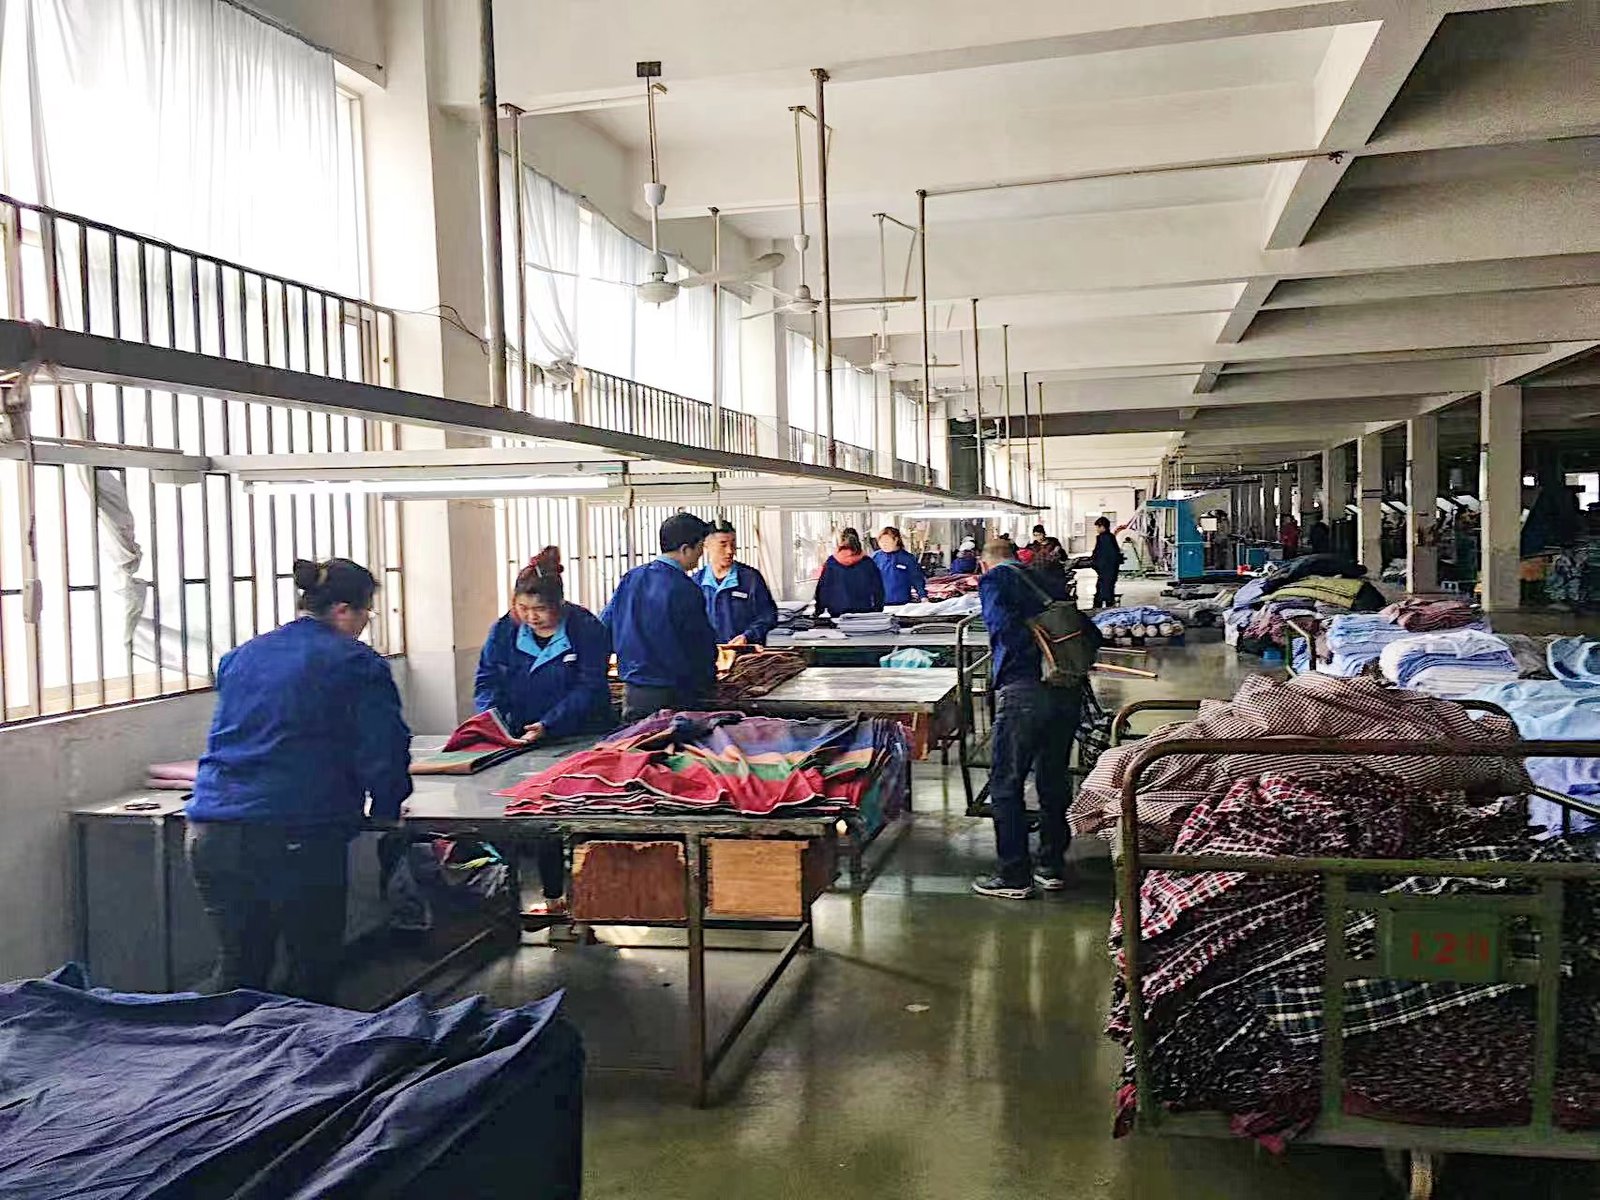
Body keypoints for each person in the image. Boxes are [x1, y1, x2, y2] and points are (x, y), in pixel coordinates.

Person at [186, 557, 411, 1003]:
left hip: (211, 829)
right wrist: (387, 811)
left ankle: (232, 1046)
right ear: (344, 610)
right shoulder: (355, 661)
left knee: (240, 968)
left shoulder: (241, 656)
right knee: (312, 969)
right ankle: (310, 1047)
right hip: (295, 832)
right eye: (366, 614)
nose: (365, 625)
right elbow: (383, 746)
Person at [475, 548, 613, 914]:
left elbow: (589, 687)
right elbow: (487, 680)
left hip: (580, 735)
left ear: (559, 604)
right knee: (535, 819)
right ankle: (550, 900)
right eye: (522, 608)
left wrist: (550, 723)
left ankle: (592, 903)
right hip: (522, 739)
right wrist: (491, 720)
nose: (530, 617)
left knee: (581, 820)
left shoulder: (586, 629)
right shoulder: (505, 630)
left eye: (540, 609)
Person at [970, 539, 1093, 899]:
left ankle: (1013, 875)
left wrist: (1012, 667)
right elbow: (1087, 631)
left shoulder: (995, 581)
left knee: (1006, 782)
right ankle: (1051, 866)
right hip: (1066, 688)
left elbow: (1002, 631)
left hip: (1025, 690)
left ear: (984, 563)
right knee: (1053, 777)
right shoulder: (1045, 579)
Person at [603, 512, 719, 722]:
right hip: (675, 693)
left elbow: (605, 625)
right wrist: (709, 678)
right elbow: (699, 643)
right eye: (700, 548)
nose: (701, 554)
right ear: (686, 549)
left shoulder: (631, 578)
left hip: (634, 692)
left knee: (637, 738)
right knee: (673, 740)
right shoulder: (685, 588)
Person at [695, 519, 779, 645]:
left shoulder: (751, 579)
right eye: (723, 545)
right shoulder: (696, 582)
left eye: (733, 544)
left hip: (745, 652)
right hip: (708, 653)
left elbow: (768, 616)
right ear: (706, 545)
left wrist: (748, 636)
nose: (730, 551)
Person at [815, 526, 886, 617]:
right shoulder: (868, 562)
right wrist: (878, 608)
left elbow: (823, 588)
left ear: (840, 542)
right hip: (863, 611)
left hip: (837, 612)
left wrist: (819, 609)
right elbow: (878, 588)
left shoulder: (832, 562)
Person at [872, 526, 928, 605]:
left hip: (902, 603)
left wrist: (923, 596)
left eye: (887, 541)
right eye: (881, 542)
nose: (884, 544)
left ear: (896, 540)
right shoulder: (875, 557)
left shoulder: (907, 558)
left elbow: (917, 579)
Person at [1090, 516, 1123, 608]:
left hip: (1106, 570)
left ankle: (1102, 609)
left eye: (1097, 527)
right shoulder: (1111, 537)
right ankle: (1109, 607)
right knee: (1108, 590)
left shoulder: (1103, 538)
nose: (1096, 529)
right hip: (1111, 570)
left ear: (1102, 527)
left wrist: (1094, 563)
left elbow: (1102, 555)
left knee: (1102, 591)